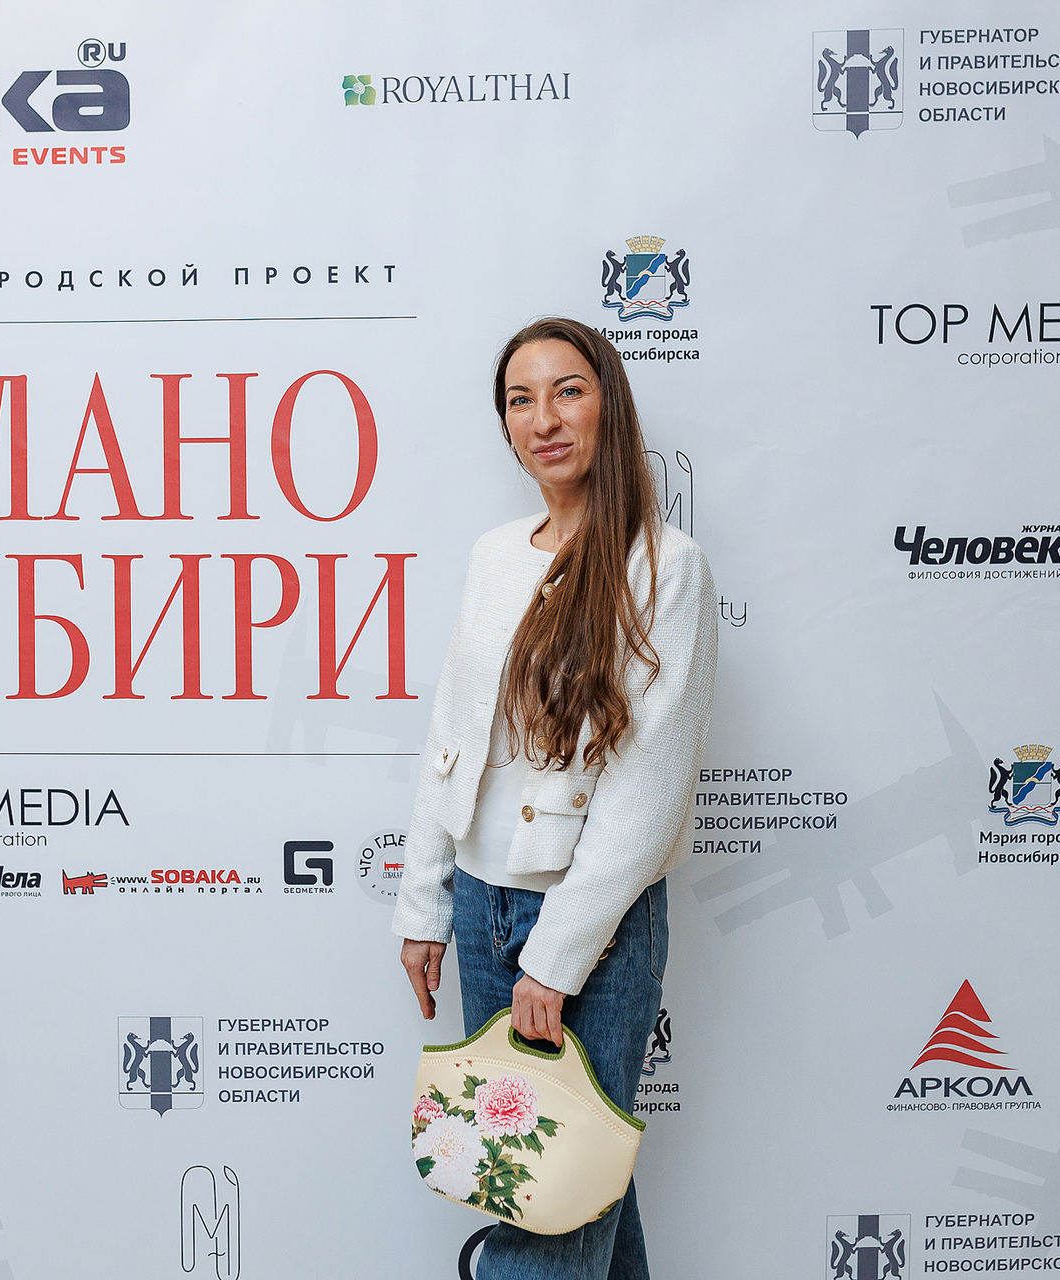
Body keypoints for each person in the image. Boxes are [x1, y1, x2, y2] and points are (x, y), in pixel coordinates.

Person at [393, 317, 718, 1279]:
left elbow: (647, 789)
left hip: (589, 928)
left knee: (545, 1211)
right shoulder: (497, 553)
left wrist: (556, 960)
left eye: (568, 390)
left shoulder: (666, 567)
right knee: (562, 1186)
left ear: (610, 403)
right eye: (521, 400)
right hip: (482, 906)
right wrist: (424, 907)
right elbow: (453, 740)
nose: (544, 419)